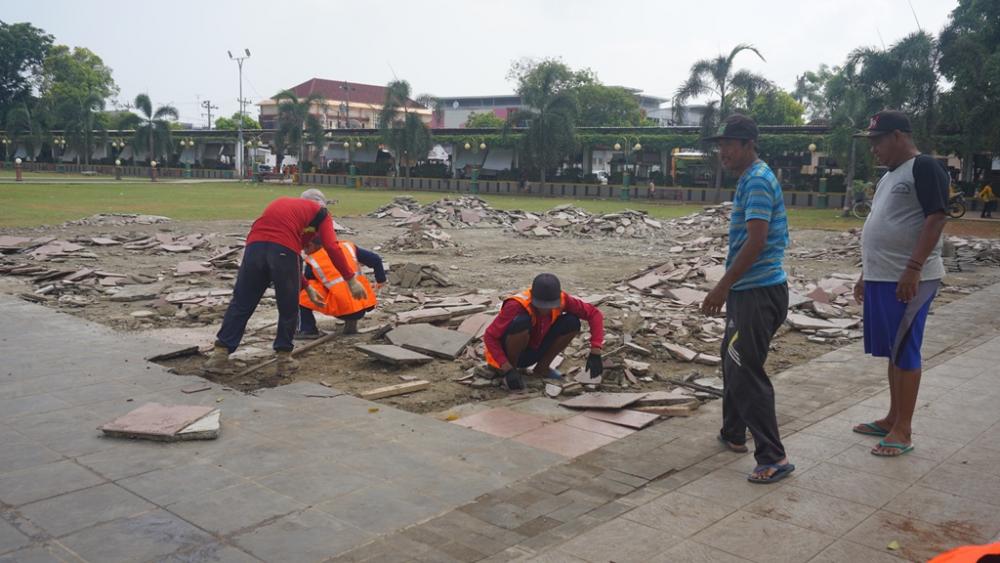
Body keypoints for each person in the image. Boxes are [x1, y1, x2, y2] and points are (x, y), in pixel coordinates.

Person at [701, 114, 794, 484]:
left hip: (755, 292)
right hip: (754, 291)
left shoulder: (756, 181)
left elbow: (756, 242)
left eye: (729, 144)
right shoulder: (752, 178)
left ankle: (774, 456)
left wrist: (722, 286)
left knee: (746, 372)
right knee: (733, 359)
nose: (722, 151)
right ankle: (732, 431)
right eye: (720, 144)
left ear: (748, 145)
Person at [851, 110, 949, 457]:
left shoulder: (925, 167)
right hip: (884, 276)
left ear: (897, 136)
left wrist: (914, 267)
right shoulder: (889, 176)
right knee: (893, 349)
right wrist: (867, 272)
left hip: (909, 278)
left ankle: (903, 430)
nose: (873, 148)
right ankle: (893, 417)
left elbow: (936, 217)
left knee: (906, 348)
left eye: (877, 141)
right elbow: (883, 224)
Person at [204, 189, 367, 374]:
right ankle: (284, 358)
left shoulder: (284, 206)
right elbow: (330, 246)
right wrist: (351, 280)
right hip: (281, 252)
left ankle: (219, 355)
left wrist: (306, 287)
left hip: (253, 249)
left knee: (241, 303)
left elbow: (292, 253)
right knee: (288, 306)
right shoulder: (321, 214)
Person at [483, 273, 604, 391]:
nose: (546, 310)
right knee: (521, 322)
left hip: (534, 348)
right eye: (542, 305)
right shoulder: (515, 306)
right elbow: (489, 336)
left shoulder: (562, 299)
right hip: (509, 354)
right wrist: (507, 368)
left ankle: (542, 369)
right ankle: (512, 373)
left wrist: (595, 351)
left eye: (550, 305)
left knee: (572, 322)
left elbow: (594, 314)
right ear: (533, 297)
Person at [297, 238, 386, 337]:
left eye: (304, 248)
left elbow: (306, 284)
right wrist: (381, 280)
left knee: (304, 292)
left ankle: (308, 330)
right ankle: (351, 323)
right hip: (364, 304)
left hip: (342, 309)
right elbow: (376, 260)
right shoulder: (347, 247)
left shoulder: (314, 260)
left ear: (311, 244)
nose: (304, 252)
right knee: (344, 288)